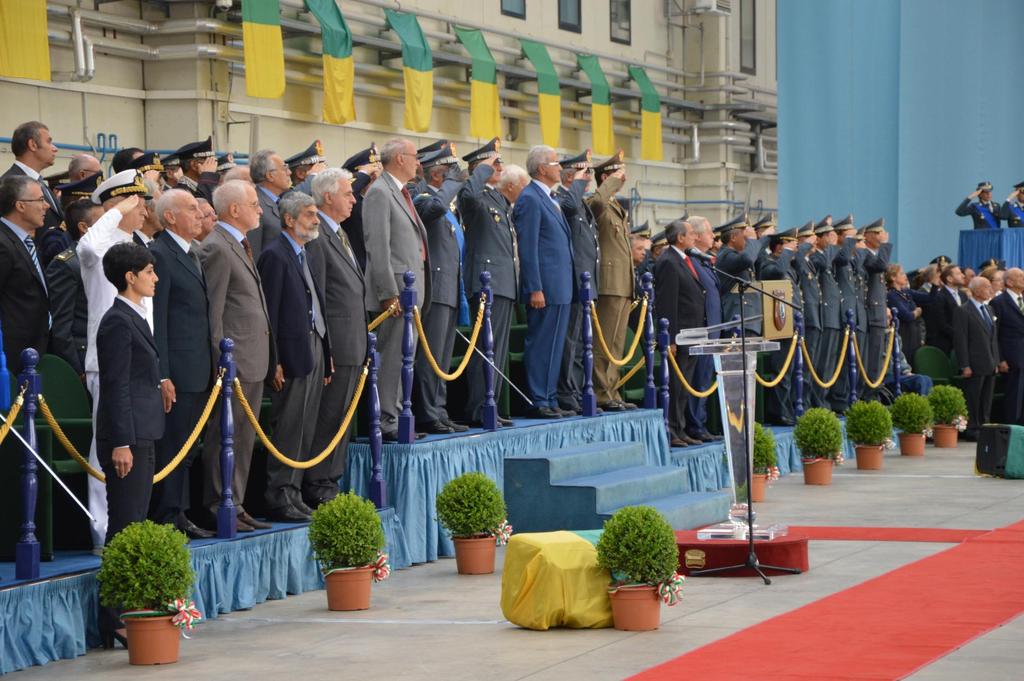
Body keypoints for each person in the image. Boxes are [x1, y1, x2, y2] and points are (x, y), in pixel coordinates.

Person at [94, 241, 164, 648]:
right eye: (149, 271)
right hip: (128, 435)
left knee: (136, 520)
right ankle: (114, 616)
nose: (155, 277)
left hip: (145, 429)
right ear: (130, 277)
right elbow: (116, 384)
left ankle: (129, 605)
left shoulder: (135, 316)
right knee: (124, 525)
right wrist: (121, 441)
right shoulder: (117, 321)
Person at [78, 171, 152, 550]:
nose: (143, 210)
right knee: (106, 448)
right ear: (116, 205)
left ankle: (132, 528)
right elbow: (88, 246)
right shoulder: (100, 249)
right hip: (108, 362)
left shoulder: (134, 246)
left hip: (142, 366)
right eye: (135, 204)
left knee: (139, 455)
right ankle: (102, 532)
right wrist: (113, 210)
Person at [197, 180, 275, 532]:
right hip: (234, 361)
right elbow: (214, 313)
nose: (260, 209)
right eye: (254, 203)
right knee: (226, 436)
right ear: (234, 209)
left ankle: (237, 502)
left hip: (253, 357)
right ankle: (220, 503)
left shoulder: (239, 243)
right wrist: (219, 363)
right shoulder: (217, 247)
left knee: (244, 437)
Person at [258, 191, 332, 521]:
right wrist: (273, 359)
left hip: (313, 345)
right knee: (289, 424)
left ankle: (295, 490)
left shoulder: (305, 253)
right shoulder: (275, 255)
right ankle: (279, 493)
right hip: (289, 354)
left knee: (305, 423)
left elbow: (317, 305)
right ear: (290, 220)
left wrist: (326, 351)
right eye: (310, 214)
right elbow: (269, 314)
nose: (316, 220)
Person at [148, 189, 215, 539]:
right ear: (170, 216)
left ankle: (181, 513)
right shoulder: (159, 253)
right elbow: (156, 319)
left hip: (198, 366)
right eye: (191, 209)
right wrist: (163, 374)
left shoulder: (191, 252)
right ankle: (168, 516)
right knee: (174, 448)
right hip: (178, 369)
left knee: (188, 449)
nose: (200, 214)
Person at [361, 138, 431, 440]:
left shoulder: (402, 193)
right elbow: (377, 247)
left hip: (411, 289)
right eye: (415, 157)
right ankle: (388, 420)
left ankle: (402, 414)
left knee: (406, 356)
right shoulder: (380, 192)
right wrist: (388, 291)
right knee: (391, 357)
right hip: (396, 293)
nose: (419, 163)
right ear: (400, 159)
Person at [307, 169, 365, 506]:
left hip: (353, 340)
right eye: (347, 193)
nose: (353, 199)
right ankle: (319, 484)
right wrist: (326, 346)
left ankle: (332, 478)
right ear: (328, 197)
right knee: (329, 417)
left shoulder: (340, 233)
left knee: (343, 416)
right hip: (337, 343)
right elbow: (320, 297)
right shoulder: (318, 238)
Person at [459, 152, 524, 428]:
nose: (500, 168)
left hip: (503, 282)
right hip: (487, 281)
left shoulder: (496, 198)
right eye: (494, 164)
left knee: (496, 347)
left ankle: (491, 404)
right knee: (486, 347)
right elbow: (465, 196)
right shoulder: (475, 196)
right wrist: (480, 171)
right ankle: (479, 407)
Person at [412, 143, 471, 434]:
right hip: (435, 288)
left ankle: (439, 409)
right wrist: (452, 185)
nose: (456, 178)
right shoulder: (422, 197)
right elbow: (432, 210)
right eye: (449, 173)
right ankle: (427, 413)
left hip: (450, 286)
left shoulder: (446, 202)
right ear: (438, 176)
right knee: (431, 355)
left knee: (443, 357)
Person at [514, 145, 576, 418]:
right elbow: (528, 248)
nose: (560, 168)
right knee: (541, 343)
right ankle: (538, 398)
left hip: (560, 284)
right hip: (545, 286)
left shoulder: (550, 198)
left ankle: (549, 397)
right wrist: (534, 287)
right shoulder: (530, 198)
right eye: (555, 163)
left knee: (555, 344)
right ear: (541, 168)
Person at [586, 151, 639, 412]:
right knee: (603, 341)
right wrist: (610, 183)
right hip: (608, 281)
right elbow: (594, 204)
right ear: (605, 177)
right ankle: (600, 392)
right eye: (618, 174)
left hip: (622, 282)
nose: (623, 178)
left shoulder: (616, 206)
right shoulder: (599, 201)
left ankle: (612, 390)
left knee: (617, 343)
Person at [555, 149, 600, 415]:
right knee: (570, 341)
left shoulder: (578, 200)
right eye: (585, 173)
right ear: (570, 175)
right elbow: (569, 208)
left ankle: (581, 389)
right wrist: (578, 182)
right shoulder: (564, 197)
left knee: (584, 342)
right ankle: (567, 391)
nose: (589, 178)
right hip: (572, 281)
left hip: (587, 281)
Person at [654, 221, 706, 447]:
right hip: (680, 333)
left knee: (684, 385)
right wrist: (670, 337)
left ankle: (681, 428)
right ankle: (673, 430)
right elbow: (667, 302)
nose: (695, 236)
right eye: (691, 233)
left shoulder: (684, 259)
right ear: (680, 238)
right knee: (676, 383)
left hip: (692, 331)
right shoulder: (668, 261)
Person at [0, 176, 51, 373]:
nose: (46, 205)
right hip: (12, 358)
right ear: (20, 206)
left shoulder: (24, 241)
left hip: (33, 352)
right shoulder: (3, 244)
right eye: (39, 200)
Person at [46, 198, 103, 376]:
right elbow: (62, 326)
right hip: (85, 357)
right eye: (102, 221)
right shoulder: (67, 264)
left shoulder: (106, 258)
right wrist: (77, 370)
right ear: (83, 227)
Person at [758, 228, 801, 425]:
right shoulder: (768, 263)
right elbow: (776, 273)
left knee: (791, 370)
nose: (793, 250)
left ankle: (790, 408)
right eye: (788, 246)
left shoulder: (788, 265)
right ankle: (779, 411)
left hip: (791, 324)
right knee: (781, 370)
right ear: (778, 248)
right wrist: (785, 254)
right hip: (778, 325)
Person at [685, 216, 722, 440]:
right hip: (701, 329)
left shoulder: (704, 261)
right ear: (697, 236)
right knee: (698, 379)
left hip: (713, 329)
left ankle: (702, 423)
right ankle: (695, 425)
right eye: (709, 232)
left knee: (706, 378)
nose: (713, 236)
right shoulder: (692, 262)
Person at [954, 277, 1002, 441]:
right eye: (986, 286)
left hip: (990, 362)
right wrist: (965, 365)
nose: (990, 289)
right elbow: (961, 339)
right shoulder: (964, 310)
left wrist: (996, 360)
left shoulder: (989, 309)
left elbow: (993, 338)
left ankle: (985, 426)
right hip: (974, 362)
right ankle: (973, 428)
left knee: (986, 398)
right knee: (974, 397)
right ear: (975, 290)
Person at [1, 121, 63, 231]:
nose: (55, 148)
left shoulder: (41, 183)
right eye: (49, 142)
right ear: (33, 145)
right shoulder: (7, 186)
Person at [716, 213, 769, 335]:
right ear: (733, 237)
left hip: (747, 320)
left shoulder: (736, 255)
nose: (747, 242)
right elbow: (748, 259)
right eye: (744, 237)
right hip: (738, 320)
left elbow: (753, 255)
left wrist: (764, 239)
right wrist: (752, 239)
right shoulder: (726, 255)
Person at [860, 219, 894, 399]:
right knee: (871, 359)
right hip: (871, 313)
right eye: (879, 233)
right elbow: (880, 266)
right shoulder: (865, 254)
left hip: (878, 313)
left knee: (878, 358)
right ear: (868, 235)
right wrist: (886, 244)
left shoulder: (874, 254)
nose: (882, 235)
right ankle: (870, 395)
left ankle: (876, 391)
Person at [338, 144, 382, 272]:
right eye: (373, 174)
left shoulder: (373, 199)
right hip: (358, 268)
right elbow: (348, 194)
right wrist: (363, 175)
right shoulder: (353, 201)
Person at [989, 267, 1024, 424]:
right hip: (1012, 356)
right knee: (1014, 395)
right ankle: (1012, 427)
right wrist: (1000, 358)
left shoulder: (1022, 299)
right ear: (1009, 282)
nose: (1023, 279)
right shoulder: (999, 302)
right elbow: (994, 334)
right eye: (1020, 276)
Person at [249, 148, 292, 259]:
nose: (289, 172)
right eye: (284, 168)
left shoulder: (279, 201)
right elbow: (253, 253)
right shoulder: (255, 204)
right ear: (270, 175)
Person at [923, 264, 965, 355]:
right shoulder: (940, 296)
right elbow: (942, 323)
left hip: (961, 344)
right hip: (945, 344)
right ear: (949, 278)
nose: (963, 275)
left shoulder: (963, 295)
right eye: (958, 273)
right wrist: (959, 335)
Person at [886, 264, 928, 356]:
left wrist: (935, 284)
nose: (905, 276)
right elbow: (907, 316)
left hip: (915, 336)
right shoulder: (891, 295)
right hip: (904, 336)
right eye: (901, 273)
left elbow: (929, 298)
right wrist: (917, 312)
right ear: (893, 277)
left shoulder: (906, 292)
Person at [171, 137, 220, 203]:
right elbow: (205, 208)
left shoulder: (201, 185)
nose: (214, 165)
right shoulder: (181, 192)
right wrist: (207, 176)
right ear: (194, 165)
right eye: (209, 162)